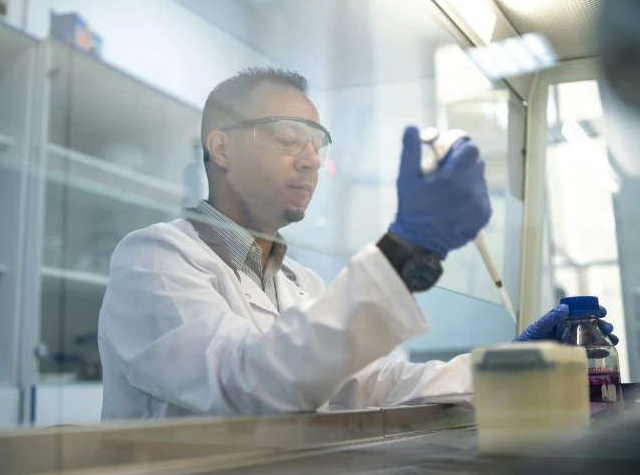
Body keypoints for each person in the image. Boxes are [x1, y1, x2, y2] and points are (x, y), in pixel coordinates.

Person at [98, 67, 618, 420]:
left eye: (317, 144)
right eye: (287, 138)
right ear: (222, 147)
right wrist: (403, 252)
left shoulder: (302, 283)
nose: (309, 160)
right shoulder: (154, 259)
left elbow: (377, 387)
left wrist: (516, 366)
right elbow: (245, 383)